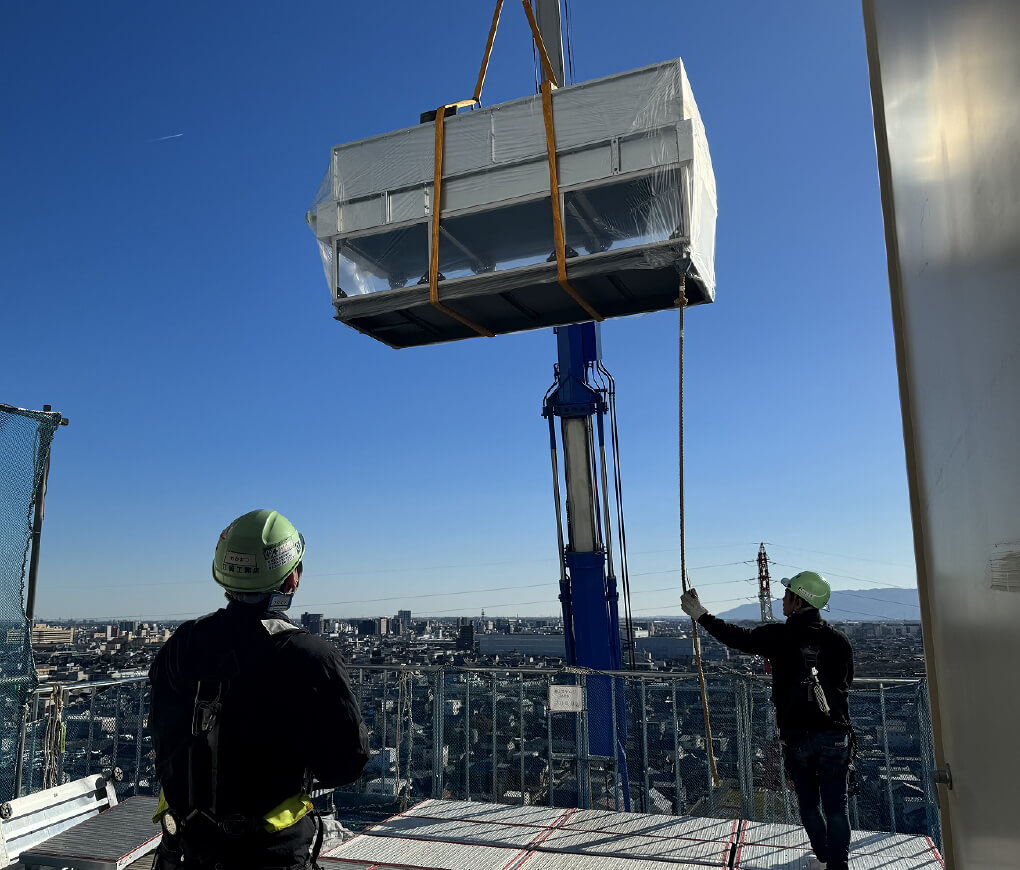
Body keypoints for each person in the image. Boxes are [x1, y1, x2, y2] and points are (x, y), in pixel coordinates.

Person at [149, 509, 370, 870]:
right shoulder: (309, 657)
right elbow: (346, 763)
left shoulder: (182, 644)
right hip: (270, 854)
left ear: (223, 576)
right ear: (292, 580)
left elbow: (162, 735)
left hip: (187, 848)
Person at [681, 572, 854, 870]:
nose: (782, 599)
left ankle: (824, 857)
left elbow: (736, 637)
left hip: (797, 735)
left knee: (809, 804)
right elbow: (845, 682)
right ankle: (838, 866)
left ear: (798, 601)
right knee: (837, 808)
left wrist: (701, 615)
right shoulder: (838, 641)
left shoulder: (778, 636)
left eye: (787, 594)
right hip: (835, 733)